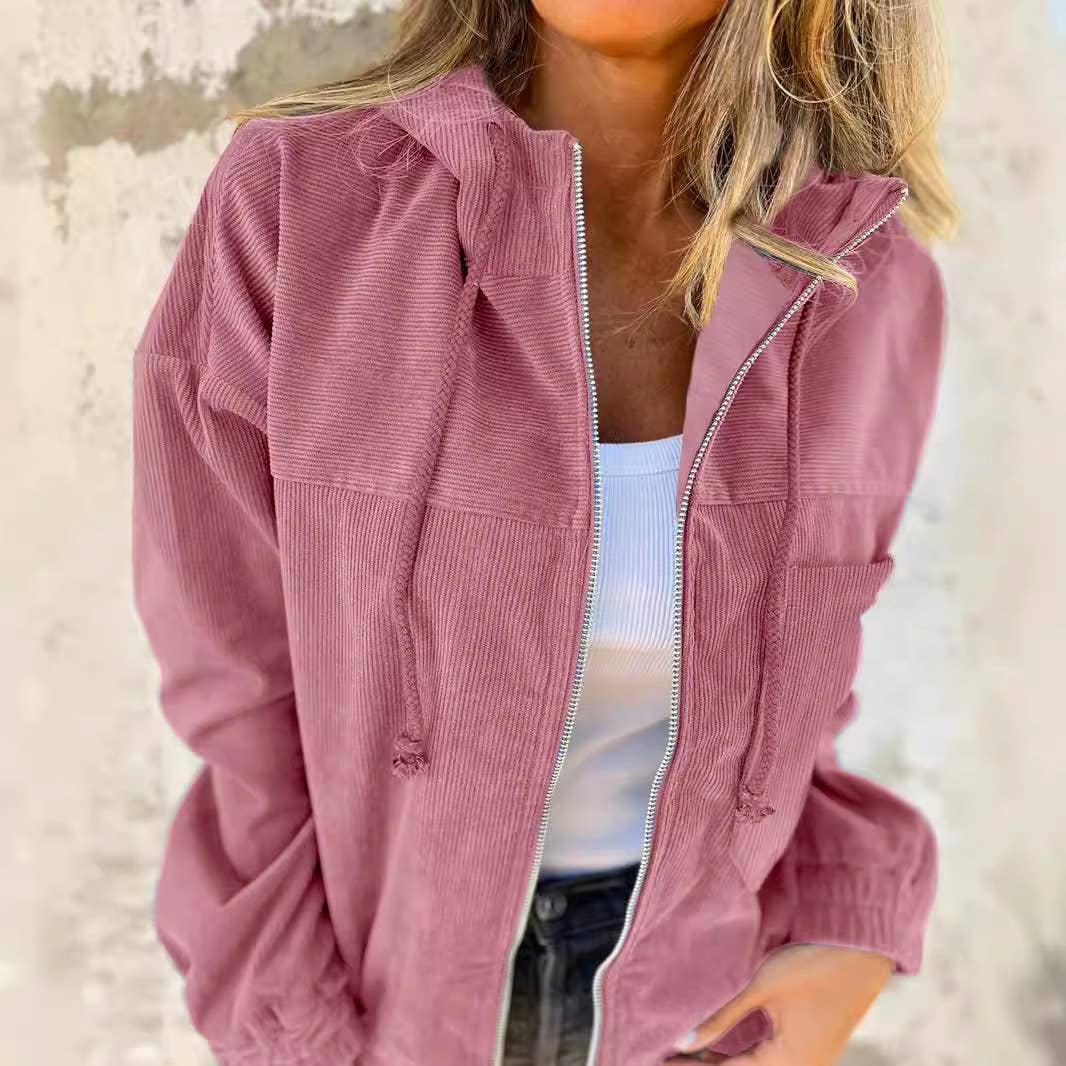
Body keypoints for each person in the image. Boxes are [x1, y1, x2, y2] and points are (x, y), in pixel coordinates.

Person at [129, 1, 956, 1064]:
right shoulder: (296, 200)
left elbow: (800, 696)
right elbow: (236, 687)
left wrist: (847, 925)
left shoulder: (867, 280)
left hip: (693, 1010)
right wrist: (299, 1032)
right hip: (381, 1001)